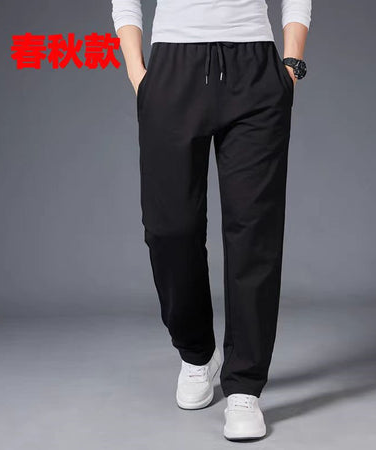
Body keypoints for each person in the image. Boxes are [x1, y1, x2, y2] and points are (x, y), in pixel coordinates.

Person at [111, 0, 311, 441]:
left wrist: (291, 65)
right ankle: (197, 353)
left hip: (255, 66)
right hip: (173, 67)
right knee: (169, 229)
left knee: (254, 231)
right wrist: (138, 74)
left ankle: (245, 388)